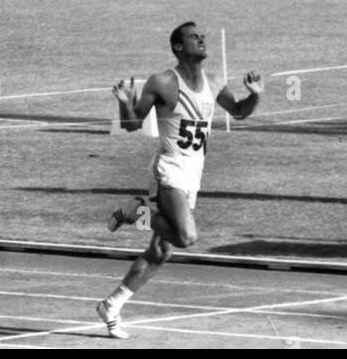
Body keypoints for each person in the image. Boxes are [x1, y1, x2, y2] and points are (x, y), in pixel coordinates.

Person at [97, 22, 263, 340]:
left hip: (193, 175)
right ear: (177, 47)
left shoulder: (214, 82)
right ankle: (136, 211)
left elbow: (240, 111)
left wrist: (255, 97)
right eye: (193, 37)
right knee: (187, 237)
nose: (201, 40)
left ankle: (112, 305)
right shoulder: (162, 81)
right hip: (169, 171)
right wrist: (123, 100)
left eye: (203, 36)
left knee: (161, 251)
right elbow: (132, 124)